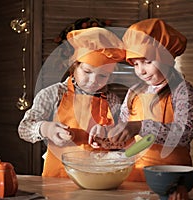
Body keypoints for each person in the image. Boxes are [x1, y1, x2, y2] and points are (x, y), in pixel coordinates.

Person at [18, 27, 125, 178]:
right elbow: (24, 127)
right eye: (87, 72)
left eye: (103, 76)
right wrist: (46, 129)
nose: (93, 81)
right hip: (59, 175)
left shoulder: (112, 99)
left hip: (98, 175)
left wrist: (107, 135)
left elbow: (121, 137)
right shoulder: (53, 94)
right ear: (74, 66)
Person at [105, 18, 193, 186]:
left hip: (171, 176)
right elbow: (125, 130)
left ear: (167, 59)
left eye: (148, 62)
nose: (141, 70)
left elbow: (184, 134)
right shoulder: (134, 91)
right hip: (134, 175)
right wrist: (107, 134)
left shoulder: (181, 90)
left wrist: (140, 126)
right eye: (135, 64)